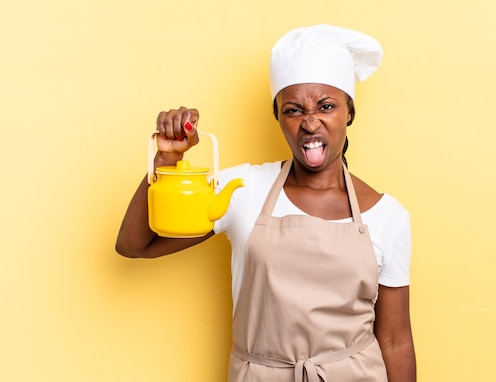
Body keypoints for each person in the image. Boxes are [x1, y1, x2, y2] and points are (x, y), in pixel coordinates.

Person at [116, 24, 416, 382]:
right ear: (278, 118)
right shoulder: (243, 188)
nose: (309, 122)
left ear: (348, 113)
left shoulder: (388, 216)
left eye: (326, 106)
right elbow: (135, 245)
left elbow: (396, 341)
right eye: (292, 110)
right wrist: (164, 160)